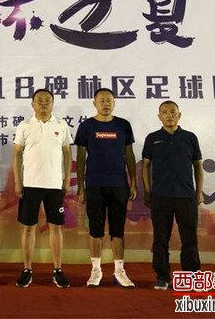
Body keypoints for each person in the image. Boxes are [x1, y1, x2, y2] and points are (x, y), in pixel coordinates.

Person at [75, 88, 137, 288]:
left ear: (114, 103)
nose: (106, 104)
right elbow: (81, 158)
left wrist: (133, 181)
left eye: (109, 100)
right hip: (94, 184)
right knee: (96, 229)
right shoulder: (86, 126)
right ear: (94, 103)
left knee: (118, 230)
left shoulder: (123, 125)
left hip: (119, 184)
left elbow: (129, 154)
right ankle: (96, 270)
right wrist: (81, 187)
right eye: (101, 100)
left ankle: (119, 271)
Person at [13, 88, 72, 288]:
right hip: (30, 185)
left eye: (48, 100)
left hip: (54, 185)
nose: (44, 104)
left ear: (53, 104)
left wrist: (66, 180)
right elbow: (17, 155)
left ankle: (58, 270)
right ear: (33, 104)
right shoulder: (25, 125)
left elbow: (67, 153)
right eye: (39, 100)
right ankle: (27, 270)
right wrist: (18, 181)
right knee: (28, 228)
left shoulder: (61, 125)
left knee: (56, 227)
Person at [142, 100, 204, 290]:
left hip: (186, 196)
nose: (169, 115)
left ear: (179, 115)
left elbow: (198, 166)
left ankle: (191, 276)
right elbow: (146, 166)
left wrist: (199, 192)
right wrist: (148, 191)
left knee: (189, 238)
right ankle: (162, 276)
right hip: (161, 197)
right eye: (165, 112)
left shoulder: (190, 138)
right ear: (159, 116)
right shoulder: (152, 138)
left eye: (172, 112)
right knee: (160, 239)